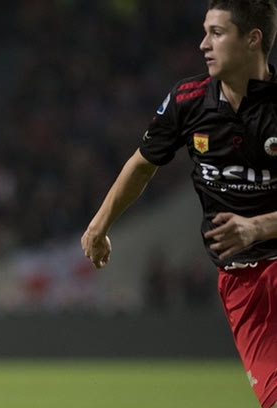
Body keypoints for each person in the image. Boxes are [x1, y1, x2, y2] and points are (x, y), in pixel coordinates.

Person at [81, 1, 277, 407]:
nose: (203, 44)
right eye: (205, 32)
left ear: (252, 39)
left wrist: (257, 226)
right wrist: (99, 226)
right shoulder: (188, 100)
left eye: (217, 33)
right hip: (241, 282)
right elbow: (142, 165)